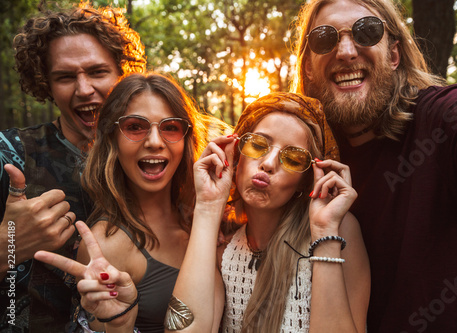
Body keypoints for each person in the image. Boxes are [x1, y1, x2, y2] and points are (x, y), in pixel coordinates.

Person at [37, 92, 370, 332]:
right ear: (235, 155)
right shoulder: (224, 248)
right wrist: (209, 208)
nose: (268, 163)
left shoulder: (337, 231)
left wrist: (325, 235)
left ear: (304, 180)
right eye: (258, 144)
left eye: (293, 157)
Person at [292, 0, 457, 332]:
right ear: (307, 67)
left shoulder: (448, 115)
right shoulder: (303, 162)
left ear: (393, 55)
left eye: (366, 32)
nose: (346, 51)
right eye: (325, 38)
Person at [0, 3, 146, 331]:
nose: (83, 89)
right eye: (65, 77)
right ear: (46, 85)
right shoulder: (9, 154)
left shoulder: (152, 163)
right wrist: (10, 243)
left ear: (124, 74)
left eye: (97, 72)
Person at [76, 72, 208, 333]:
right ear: (112, 137)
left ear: (186, 139)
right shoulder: (105, 245)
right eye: (135, 127)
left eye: (170, 127)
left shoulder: (203, 218)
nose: (155, 142)